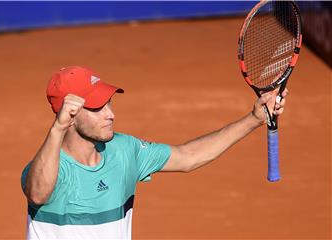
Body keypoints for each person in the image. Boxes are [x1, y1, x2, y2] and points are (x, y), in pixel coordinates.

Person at [21, 66, 288, 239]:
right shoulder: (48, 168)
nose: (111, 114)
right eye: (97, 108)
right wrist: (57, 129)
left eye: (109, 104)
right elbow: (38, 192)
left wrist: (254, 118)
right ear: (69, 114)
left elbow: (188, 156)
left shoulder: (124, 151)